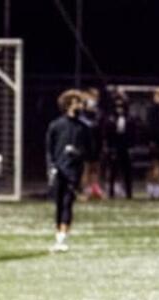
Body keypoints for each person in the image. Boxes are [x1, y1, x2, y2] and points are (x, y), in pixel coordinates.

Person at [46, 89, 90, 252]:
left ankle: (62, 237)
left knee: (67, 203)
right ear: (68, 105)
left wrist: (77, 152)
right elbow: (49, 149)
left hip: (74, 171)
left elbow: (90, 152)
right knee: (58, 204)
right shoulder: (56, 125)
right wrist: (50, 167)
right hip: (58, 170)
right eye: (77, 102)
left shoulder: (84, 127)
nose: (80, 106)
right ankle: (59, 236)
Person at [103, 91, 134, 199]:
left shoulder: (129, 117)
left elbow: (133, 133)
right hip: (115, 146)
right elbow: (107, 133)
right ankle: (111, 191)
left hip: (125, 146)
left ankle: (129, 192)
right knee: (113, 170)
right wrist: (109, 147)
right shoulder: (111, 117)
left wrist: (131, 146)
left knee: (127, 171)